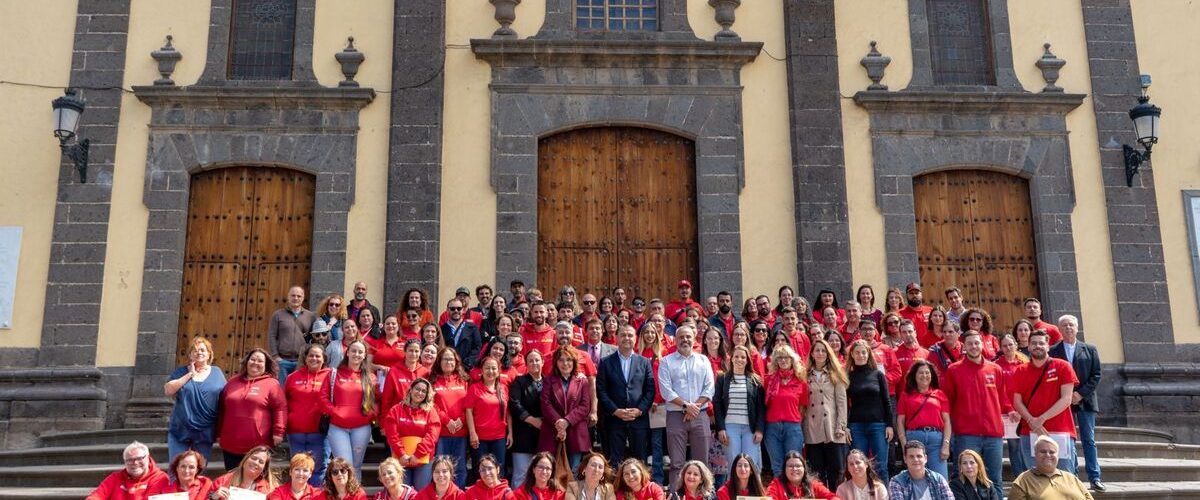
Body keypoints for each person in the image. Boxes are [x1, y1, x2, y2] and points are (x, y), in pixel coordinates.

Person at [942, 331, 1010, 498]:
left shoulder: (995, 369)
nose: (974, 346)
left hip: (993, 434)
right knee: (964, 479)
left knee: (995, 479)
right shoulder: (953, 370)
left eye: (977, 343)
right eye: (970, 343)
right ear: (964, 346)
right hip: (966, 434)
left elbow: (1003, 397)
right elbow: (946, 402)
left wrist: (1010, 410)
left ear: (982, 344)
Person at [1050, 314, 1105, 491]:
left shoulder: (1090, 349)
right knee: (1067, 440)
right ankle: (1071, 476)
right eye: (1064, 325)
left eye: (1071, 325)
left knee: (1089, 439)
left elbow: (1096, 375)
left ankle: (1094, 477)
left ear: (1077, 327)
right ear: (1059, 329)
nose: (1068, 328)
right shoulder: (1053, 351)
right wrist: (1066, 395)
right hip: (1062, 402)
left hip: (1085, 401)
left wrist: (1080, 394)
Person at [657, 325, 715, 490]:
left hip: (700, 414)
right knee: (676, 463)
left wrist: (694, 407)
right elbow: (666, 390)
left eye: (688, 336)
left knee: (702, 462)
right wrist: (686, 406)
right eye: (681, 337)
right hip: (675, 415)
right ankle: (676, 494)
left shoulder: (703, 360)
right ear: (675, 340)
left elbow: (710, 388)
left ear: (695, 338)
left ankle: (702, 494)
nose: (685, 340)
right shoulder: (667, 362)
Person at [1013, 329, 1078, 473]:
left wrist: (1041, 419)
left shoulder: (1063, 366)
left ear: (1048, 346)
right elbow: (1017, 402)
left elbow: (1067, 399)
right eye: (1034, 343)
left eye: (1041, 343)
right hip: (1029, 432)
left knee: (1064, 478)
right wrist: (1032, 421)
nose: (1038, 346)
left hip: (1060, 431)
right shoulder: (1020, 370)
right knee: (1035, 480)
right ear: (1028, 346)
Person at [597, 324, 656, 467]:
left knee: (639, 461)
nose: (626, 338)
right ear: (616, 338)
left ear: (636, 339)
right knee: (614, 462)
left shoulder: (644, 362)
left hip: (638, 420)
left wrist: (639, 410)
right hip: (614, 420)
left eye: (630, 335)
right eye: (623, 335)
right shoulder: (605, 362)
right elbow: (601, 390)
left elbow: (650, 390)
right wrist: (615, 411)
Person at [218, 348, 286, 470]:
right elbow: (222, 408)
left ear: (266, 366)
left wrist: (279, 432)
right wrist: (218, 432)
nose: (255, 363)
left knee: (255, 483)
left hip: (258, 445)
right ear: (246, 362)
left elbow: (280, 408)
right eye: (252, 359)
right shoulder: (233, 381)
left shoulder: (272, 384)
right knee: (232, 481)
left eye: (260, 361)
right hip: (231, 443)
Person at [321, 340, 379, 479]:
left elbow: (376, 401)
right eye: (353, 351)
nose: (356, 354)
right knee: (344, 466)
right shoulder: (333, 374)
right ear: (347, 353)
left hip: (361, 428)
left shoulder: (370, 377)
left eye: (360, 352)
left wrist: (369, 415)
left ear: (365, 355)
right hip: (337, 428)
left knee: (356, 467)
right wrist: (336, 412)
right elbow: (323, 398)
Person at [164, 336, 226, 462]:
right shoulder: (181, 372)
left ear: (209, 354)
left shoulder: (217, 372)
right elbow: (168, 390)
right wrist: (190, 375)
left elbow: (225, 397)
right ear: (190, 355)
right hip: (180, 429)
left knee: (199, 470)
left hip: (205, 430)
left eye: (203, 350)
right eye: (195, 350)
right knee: (176, 468)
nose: (199, 353)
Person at [846, 339, 894, 483]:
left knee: (881, 468)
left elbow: (887, 400)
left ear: (868, 354)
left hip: (878, 425)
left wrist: (889, 424)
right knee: (860, 468)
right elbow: (844, 404)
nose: (861, 355)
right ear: (852, 355)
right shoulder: (848, 376)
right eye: (857, 352)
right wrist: (846, 426)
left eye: (863, 352)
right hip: (856, 426)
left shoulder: (878, 374)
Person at [383, 378, 443, 490]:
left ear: (427, 395)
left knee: (421, 493)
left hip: (423, 460)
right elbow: (392, 435)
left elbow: (432, 436)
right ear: (410, 390)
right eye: (417, 389)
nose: (420, 393)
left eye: (423, 391)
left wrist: (417, 455)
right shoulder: (396, 410)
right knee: (402, 492)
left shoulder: (431, 412)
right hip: (401, 459)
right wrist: (402, 454)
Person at [895, 360, 951, 478]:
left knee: (941, 478)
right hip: (914, 438)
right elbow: (900, 421)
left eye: (927, 373)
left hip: (936, 441)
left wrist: (946, 445)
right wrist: (904, 443)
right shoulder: (906, 395)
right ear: (914, 375)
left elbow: (947, 421)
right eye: (921, 373)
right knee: (917, 478)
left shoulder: (939, 394)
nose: (924, 375)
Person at [285, 344, 332, 485]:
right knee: (298, 470)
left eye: (318, 356)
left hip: (320, 433)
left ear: (324, 359)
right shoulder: (292, 377)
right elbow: (284, 402)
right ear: (305, 358)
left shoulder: (331, 376)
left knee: (318, 469)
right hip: (295, 432)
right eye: (311, 355)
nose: (314, 358)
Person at [805, 338, 849, 487]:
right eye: (817, 350)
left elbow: (842, 403)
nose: (820, 353)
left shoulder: (836, 373)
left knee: (836, 471)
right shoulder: (805, 374)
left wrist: (841, 426)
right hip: (812, 427)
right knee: (816, 472)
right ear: (811, 354)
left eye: (823, 350)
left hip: (832, 427)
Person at [714, 345, 766, 470]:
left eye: (743, 357)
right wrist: (721, 428)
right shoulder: (723, 378)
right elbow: (717, 404)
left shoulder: (755, 380)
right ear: (731, 359)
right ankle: (733, 489)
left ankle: (752, 490)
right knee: (733, 465)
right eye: (736, 356)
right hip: (730, 427)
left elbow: (761, 407)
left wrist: (759, 429)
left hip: (750, 429)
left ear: (747, 360)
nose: (739, 359)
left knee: (751, 464)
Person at [763, 345, 808, 478]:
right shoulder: (768, 380)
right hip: (772, 427)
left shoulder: (800, 381)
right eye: (780, 358)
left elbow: (802, 407)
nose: (783, 361)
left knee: (793, 466)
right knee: (777, 467)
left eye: (786, 358)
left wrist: (797, 423)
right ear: (775, 361)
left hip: (793, 427)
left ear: (792, 360)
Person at [432, 348, 472, 487]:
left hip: (460, 432)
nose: (448, 362)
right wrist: (446, 420)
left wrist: (461, 419)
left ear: (456, 362)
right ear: (439, 361)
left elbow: (470, 403)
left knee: (459, 468)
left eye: (451, 359)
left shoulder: (464, 380)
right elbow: (431, 405)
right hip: (442, 432)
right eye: (445, 359)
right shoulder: (433, 380)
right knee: (441, 468)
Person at [1009, 436, 1094, 500]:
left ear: (1058, 456)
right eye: (1043, 451)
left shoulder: (1071, 478)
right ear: (1035, 454)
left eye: (1052, 452)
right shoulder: (1022, 482)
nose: (1048, 455)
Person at [465, 357, 511, 473]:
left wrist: (510, 433)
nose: (491, 371)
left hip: (499, 437)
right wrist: (472, 433)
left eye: (494, 368)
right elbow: (468, 411)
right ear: (481, 370)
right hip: (480, 438)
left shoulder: (504, 389)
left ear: (499, 370)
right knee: (481, 470)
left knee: (498, 469)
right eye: (487, 368)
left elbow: (508, 413)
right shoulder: (474, 388)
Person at [511, 349, 547, 487]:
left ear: (543, 362)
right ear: (526, 364)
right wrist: (532, 420)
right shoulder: (519, 382)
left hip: (544, 435)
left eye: (537, 360)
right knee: (521, 474)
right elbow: (515, 404)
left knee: (542, 476)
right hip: (523, 435)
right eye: (530, 360)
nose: (534, 363)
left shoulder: (549, 381)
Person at [86, 441, 168, 500]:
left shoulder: (161, 479)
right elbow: (96, 496)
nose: (135, 463)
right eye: (129, 460)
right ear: (124, 462)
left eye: (139, 458)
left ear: (148, 458)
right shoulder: (115, 478)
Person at [994, 333, 1028, 474]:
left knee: (1027, 444)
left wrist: (1024, 409)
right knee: (1014, 445)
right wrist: (1010, 409)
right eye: (1004, 346)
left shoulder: (1025, 363)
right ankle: (1019, 476)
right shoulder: (996, 366)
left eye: (1010, 344)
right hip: (1008, 412)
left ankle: (1030, 475)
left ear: (1016, 345)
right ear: (1000, 348)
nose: (1008, 348)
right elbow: (999, 391)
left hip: (1025, 410)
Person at [269, 285, 317, 383]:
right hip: (282, 361)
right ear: (288, 297)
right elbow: (272, 336)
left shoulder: (310, 316)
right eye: (293, 295)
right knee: (282, 391)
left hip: (302, 362)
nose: (296, 298)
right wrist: (275, 357)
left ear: (303, 298)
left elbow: (314, 338)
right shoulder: (278, 315)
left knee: (298, 390)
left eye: (299, 296)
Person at [888, 441, 953, 500]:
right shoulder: (897, 482)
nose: (915, 459)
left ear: (925, 458)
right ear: (905, 459)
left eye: (919, 456)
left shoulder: (938, 479)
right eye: (911, 456)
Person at [765, 452, 837, 500]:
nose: (794, 469)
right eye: (790, 466)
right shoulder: (776, 484)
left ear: (804, 469)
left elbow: (832, 497)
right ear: (784, 470)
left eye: (798, 466)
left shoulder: (813, 484)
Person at [213, 446, 278, 498]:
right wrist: (213, 498)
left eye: (261, 462)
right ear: (245, 460)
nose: (256, 462)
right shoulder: (222, 481)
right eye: (254, 458)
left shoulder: (269, 490)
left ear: (264, 469)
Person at [147, 449, 213, 499]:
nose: (187, 471)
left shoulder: (207, 486)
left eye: (191, 467)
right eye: (183, 466)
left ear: (197, 470)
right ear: (177, 468)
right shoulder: (166, 493)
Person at [443, 299, 484, 369]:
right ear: (447, 310)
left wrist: (466, 364)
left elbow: (477, 347)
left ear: (463, 310)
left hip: (467, 368)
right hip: (447, 368)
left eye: (459, 308)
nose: (456, 311)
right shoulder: (441, 329)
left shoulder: (472, 328)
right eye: (452, 309)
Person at [894, 320, 929, 393]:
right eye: (904, 332)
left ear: (915, 333)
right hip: (902, 397)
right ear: (900, 334)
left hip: (922, 396)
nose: (907, 334)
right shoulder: (894, 353)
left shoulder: (926, 353)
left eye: (910, 331)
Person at [897, 283, 933, 353]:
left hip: (930, 350)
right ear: (906, 295)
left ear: (921, 295)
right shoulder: (899, 314)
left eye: (917, 293)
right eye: (911, 293)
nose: (914, 295)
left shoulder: (931, 311)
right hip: (909, 352)